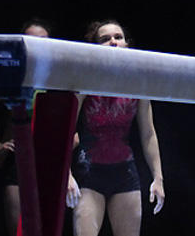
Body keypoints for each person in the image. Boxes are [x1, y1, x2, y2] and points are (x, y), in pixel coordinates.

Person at [66, 20, 164, 236]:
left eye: (118, 37)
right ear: (95, 47)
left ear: (127, 44)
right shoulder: (84, 79)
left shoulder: (139, 83)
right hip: (89, 171)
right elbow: (66, 130)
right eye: (105, 39)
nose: (113, 42)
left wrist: (158, 177)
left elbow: (148, 133)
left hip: (125, 172)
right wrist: (67, 174)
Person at [0, 18, 52, 236]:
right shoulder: (11, 79)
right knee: (18, 232)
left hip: (47, 162)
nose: (37, 46)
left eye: (43, 41)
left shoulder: (56, 79)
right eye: (31, 41)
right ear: (21, 44)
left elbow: (73, 132)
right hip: (16, 163)